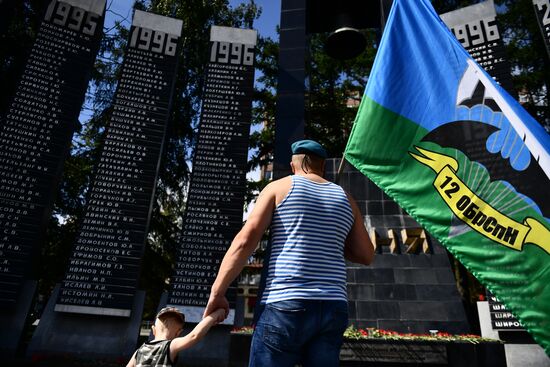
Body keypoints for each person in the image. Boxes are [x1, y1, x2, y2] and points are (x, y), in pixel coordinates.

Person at [203, 139, 375, 367]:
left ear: (293, 165)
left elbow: (245, 241)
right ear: (322, 166)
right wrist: (329, 238)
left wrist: (218, 291)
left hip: (286, 302)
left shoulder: (279, 187)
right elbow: (366, 255)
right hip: (333, 304)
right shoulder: (346, 198)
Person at [126, 306, 225, 367]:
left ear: (153, 330)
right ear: (178, 333)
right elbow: (194, 336)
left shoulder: (139, 351)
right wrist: (215, 314)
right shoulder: (170, 346)